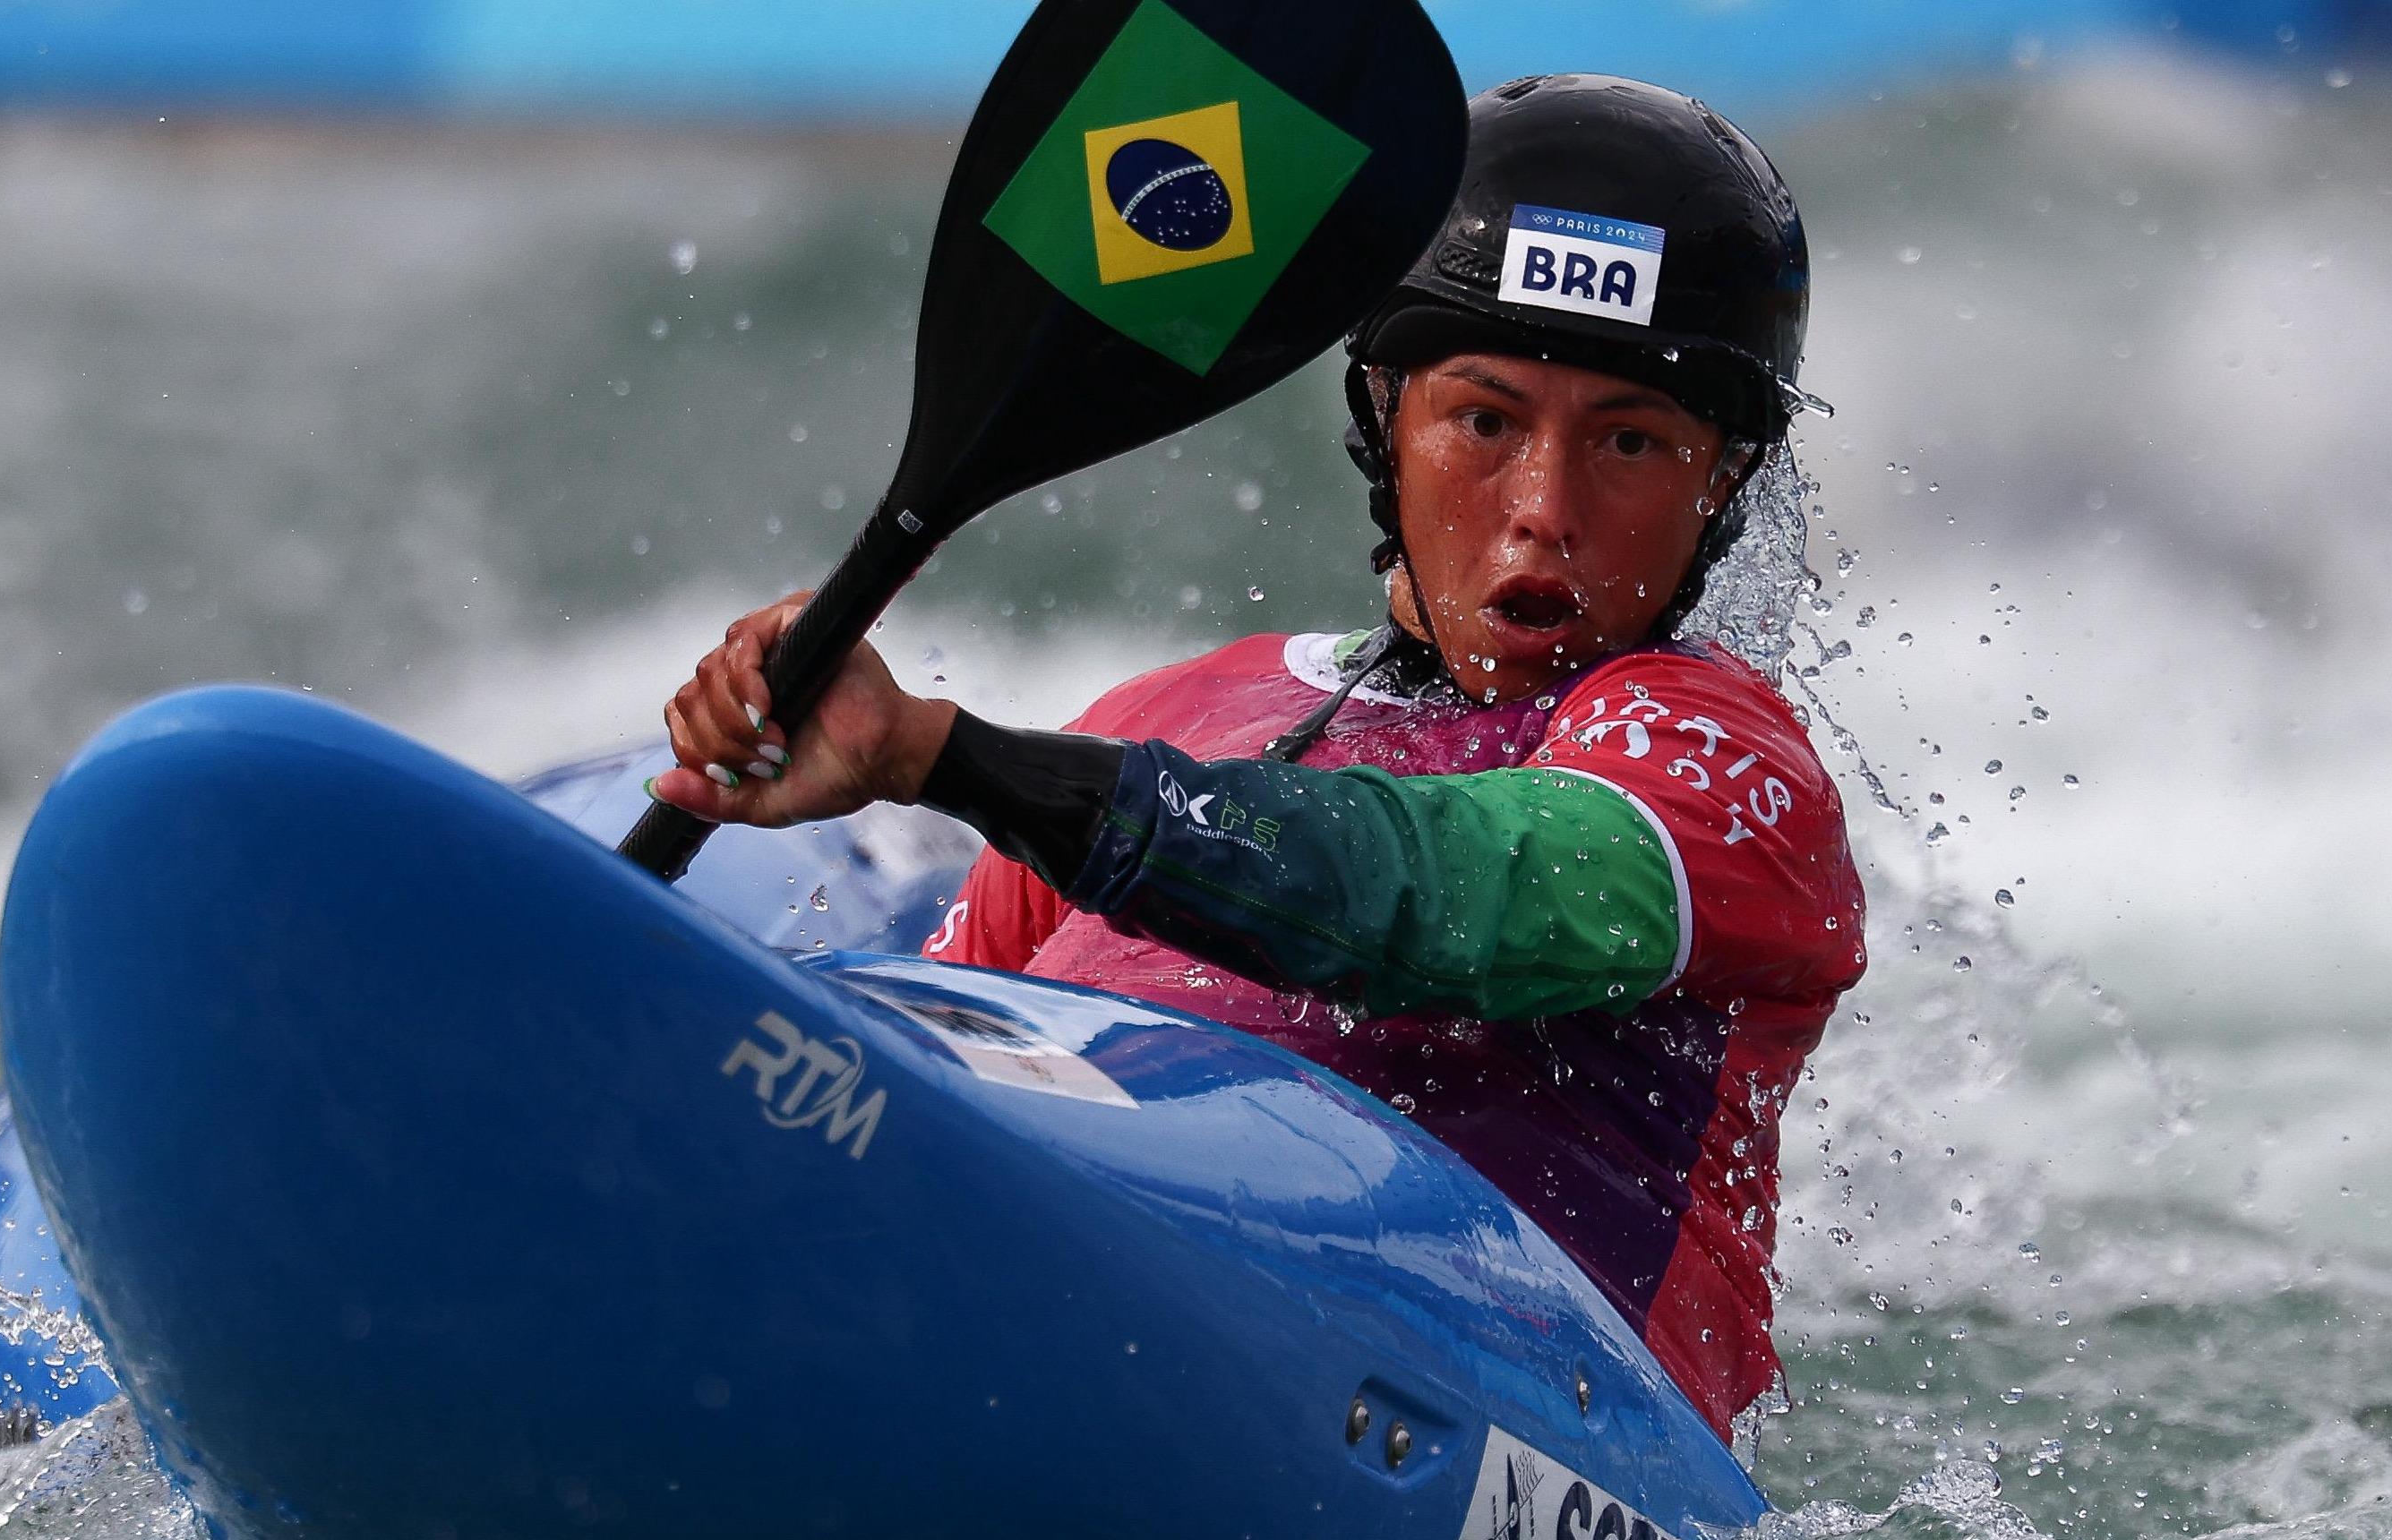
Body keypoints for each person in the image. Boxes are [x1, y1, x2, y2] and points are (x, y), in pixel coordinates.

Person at [648, 73, 1865, 1439]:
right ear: (1381, 426)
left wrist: (943, 757)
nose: (1541, 513)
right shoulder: (1172, 716)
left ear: (1721, 487)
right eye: (1481, 420)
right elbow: (918, 1071)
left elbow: (1449, 894)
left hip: (1515, 1446)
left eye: (1631, 442)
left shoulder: (1719, 769)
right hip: (1082, 1313)